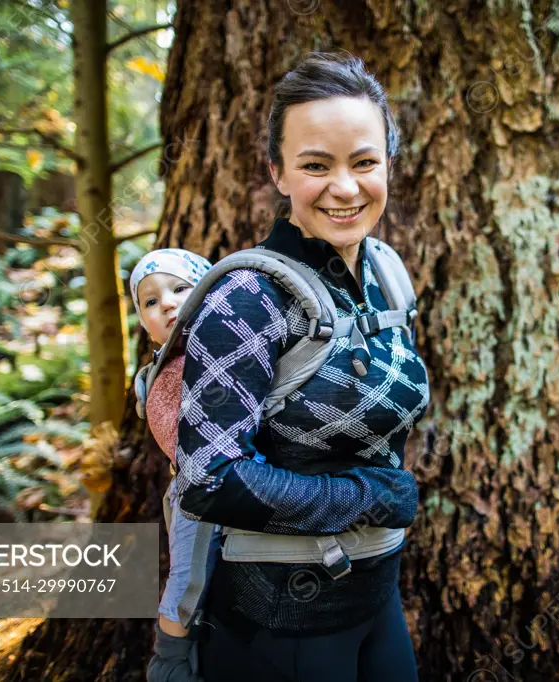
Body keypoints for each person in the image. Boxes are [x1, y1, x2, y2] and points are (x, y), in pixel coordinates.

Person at [172, 52, 431, 681]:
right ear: (278, 173)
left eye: (365, 162)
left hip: (377, 592)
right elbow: (206, 481)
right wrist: (364, 496)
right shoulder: (248, 298)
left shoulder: (385, 273)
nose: (345, 188)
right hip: (279, 615)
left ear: (388, 165)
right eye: (316, 165)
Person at [128, 248, 213, 682]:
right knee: (185, 580)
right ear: (143, 322)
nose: (168, 303)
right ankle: (171, 662)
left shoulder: (224, 350)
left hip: (242, 478)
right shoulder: (152, 374)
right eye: (150, 301)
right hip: (192, 492)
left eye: (181, 288)